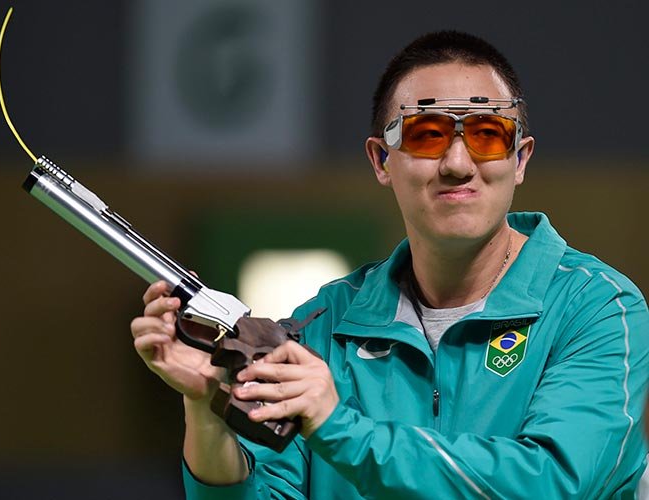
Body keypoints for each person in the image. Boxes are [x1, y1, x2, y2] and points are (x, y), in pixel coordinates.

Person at [130, 31, 649, 498]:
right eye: (426, 134)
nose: (458, 164)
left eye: (488, 134)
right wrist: (205, 410)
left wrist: (335, 425)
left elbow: (550, 484)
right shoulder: (327, 321)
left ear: (520, 158)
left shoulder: (598, 309)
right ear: (381, 160)